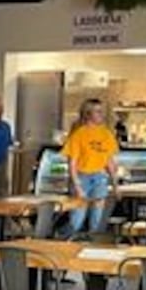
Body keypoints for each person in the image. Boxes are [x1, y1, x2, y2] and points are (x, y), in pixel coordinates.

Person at [60, 98, 119, 237]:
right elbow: (72, 163)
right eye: (97, 112)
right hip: (82, 176)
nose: (101, 115)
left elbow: (109, 161)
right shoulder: (78, 134)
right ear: (88, 114)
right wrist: (77, 186)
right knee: (77, 218)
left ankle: (93, 247)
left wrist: (115, 184)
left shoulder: (106, 134)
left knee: (97, 220)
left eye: (102, 112)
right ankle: (67, 243)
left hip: (100, 177)